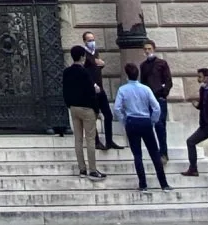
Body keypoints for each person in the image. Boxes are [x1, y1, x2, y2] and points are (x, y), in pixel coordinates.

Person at [113, 62, 170, 192]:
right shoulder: (145, 89)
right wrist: (153, 120)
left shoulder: (123, 90)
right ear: (137, 75)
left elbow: (117, 108)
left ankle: (143, 184)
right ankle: (164, 184)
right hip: (145, 121)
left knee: (137, 154)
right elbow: (156, 107)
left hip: (132, 121)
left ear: (127, 76)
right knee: (154, 153)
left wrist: (124, 120)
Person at [61, 46, 106, 181]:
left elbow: (65, 90)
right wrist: (97, 110)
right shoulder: (85, 73)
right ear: (82, 57)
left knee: (78, 139)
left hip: (73, 108)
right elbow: (91, 93)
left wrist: (69, 104)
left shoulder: (67, 72)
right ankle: (92, 169)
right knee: (90, 139)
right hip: (87, 108)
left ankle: (82, 168)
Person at [81, 31, 116, 150]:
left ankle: (109, 140)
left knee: (108, 115)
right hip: (91, 89)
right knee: (93, 116)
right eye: (89, 40)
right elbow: (87, 69)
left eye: (93, 39)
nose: (92, 42)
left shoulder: (95, 52)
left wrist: (100, 64)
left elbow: (98, 65)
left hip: (100, 88)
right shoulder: (84, 54)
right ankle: (96, 141)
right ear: (85, 41)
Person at [139, 39, 173, 128]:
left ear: (154, 49)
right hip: (149, 99)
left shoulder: (162, 63)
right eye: (145, 49)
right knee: (150, 124)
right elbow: (143, 82)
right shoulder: (143, 65)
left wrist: (164, 94)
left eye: (149, 49)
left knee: (160, 124)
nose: (147, 51)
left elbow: (168, 80)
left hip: (160, 98)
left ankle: (162, 142)